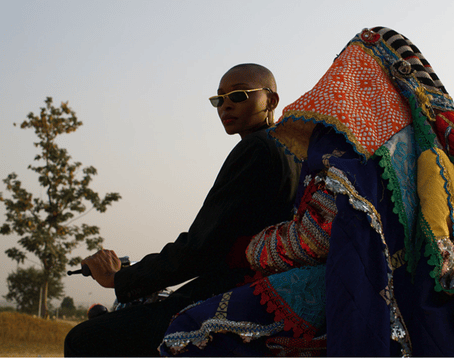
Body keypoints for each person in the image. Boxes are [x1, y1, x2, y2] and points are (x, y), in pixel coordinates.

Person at [158, 28, 454, 357]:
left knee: (189, 329)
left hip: (355, 297)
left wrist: (251, 249)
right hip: (429, 306)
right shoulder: (435, 160)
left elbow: (315, 238)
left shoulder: (354, 157)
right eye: (219, 100)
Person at [64, 63, 301, 356]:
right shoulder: (290, 149)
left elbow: (200, 248)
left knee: (85, 339)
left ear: (271, 100)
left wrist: (120, 278)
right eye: (219, 99)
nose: (225, 105)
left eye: (238, 96)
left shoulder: (256, 149)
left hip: (233, 289)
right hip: (266, 289)